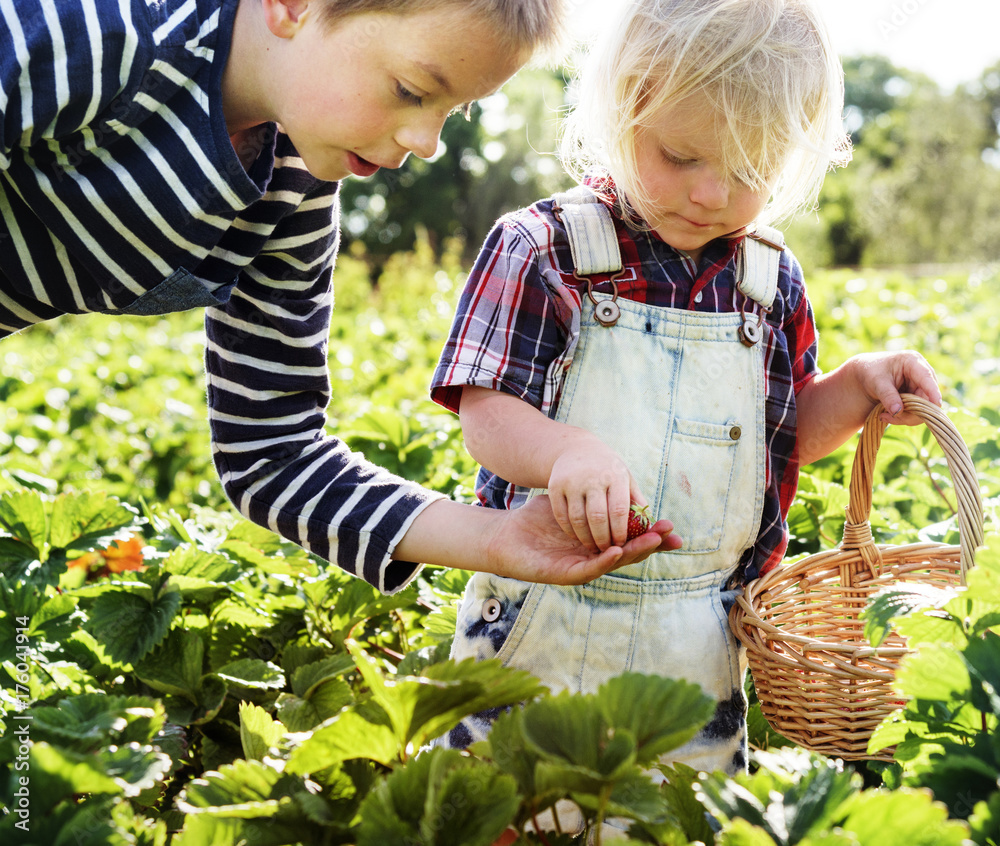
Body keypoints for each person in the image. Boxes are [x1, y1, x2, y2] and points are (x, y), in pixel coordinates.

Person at [430, 0, 941, 793]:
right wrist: (566, 450)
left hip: (696, 648)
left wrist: (855, 389)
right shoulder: (545, 249)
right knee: (504, 809)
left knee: (673, 822)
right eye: (679, 154)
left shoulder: (768, 284)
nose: (708, 193)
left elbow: (776, 439)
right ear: (622, 105)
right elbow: (487, 414)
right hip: (541, 625)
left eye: (747, 172)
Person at [0, 0, 677, 591]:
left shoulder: (292, 184)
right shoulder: (108, 33)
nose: (427, 140)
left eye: (453, 109)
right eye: (413, 90)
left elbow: (273, 453)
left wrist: (496, 541)